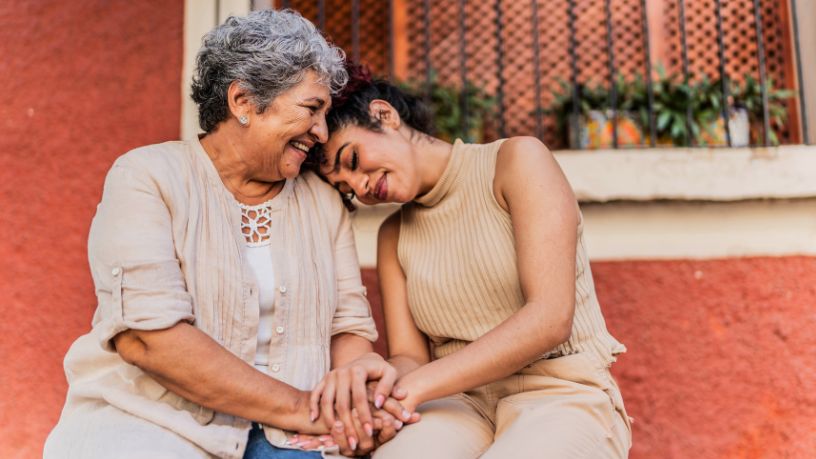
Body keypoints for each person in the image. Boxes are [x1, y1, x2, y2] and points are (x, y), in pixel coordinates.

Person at [44, 11, 410, 459]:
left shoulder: (320, 200)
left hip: (295, 435)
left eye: (326, 114)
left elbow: (347, 328)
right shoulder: (147, 177)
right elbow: (148, 338)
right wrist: (300, 408)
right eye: (311, 109)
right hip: (156, 423)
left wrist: (355, 390)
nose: (320, 132)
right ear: (243, 101)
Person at [311, 65, 633, 458]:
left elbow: (550, 319)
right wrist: (380, 392)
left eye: (354, 159)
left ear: (384, 115)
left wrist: (414, 388)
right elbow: (412, 358)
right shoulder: (393, 236)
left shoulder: (516, 161)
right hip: (458, 403)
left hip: (562, 393)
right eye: (345, 187)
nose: (360, 186)